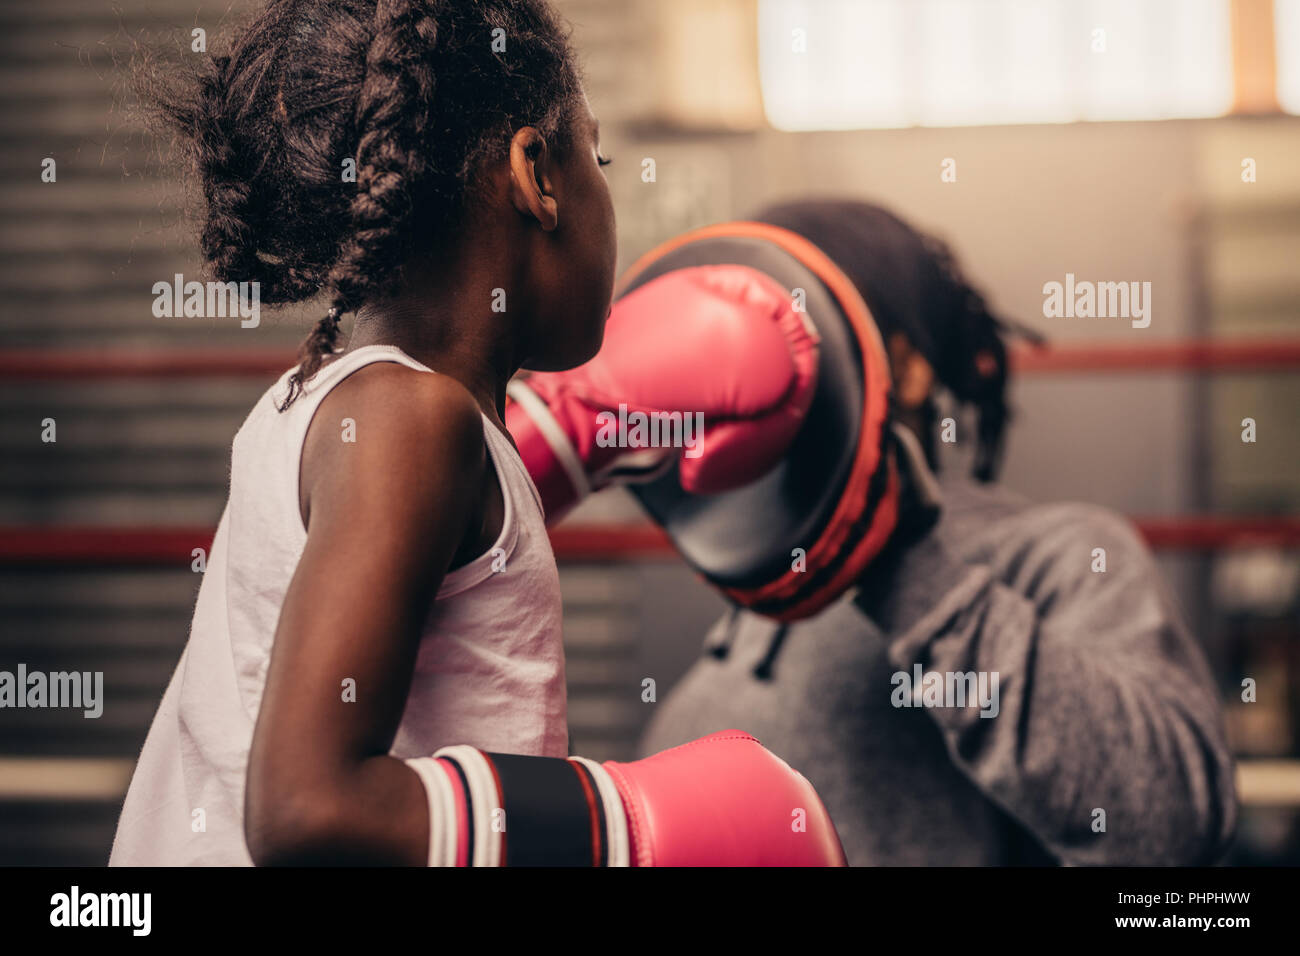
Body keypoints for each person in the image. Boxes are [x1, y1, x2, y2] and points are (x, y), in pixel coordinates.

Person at [110, 0, 843, 867]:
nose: (607, 188)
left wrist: (573, 438)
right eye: (596, 156)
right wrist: (625, 821)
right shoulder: (409, 422)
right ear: (536, 172)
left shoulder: (338, 405)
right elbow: (307, 809)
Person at [633, 199, 1239, 865]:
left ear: (909, 367)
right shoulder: (752, 600)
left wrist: (903, 563)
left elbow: (1170, 826)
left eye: (796, 335)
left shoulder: (1058, 554)